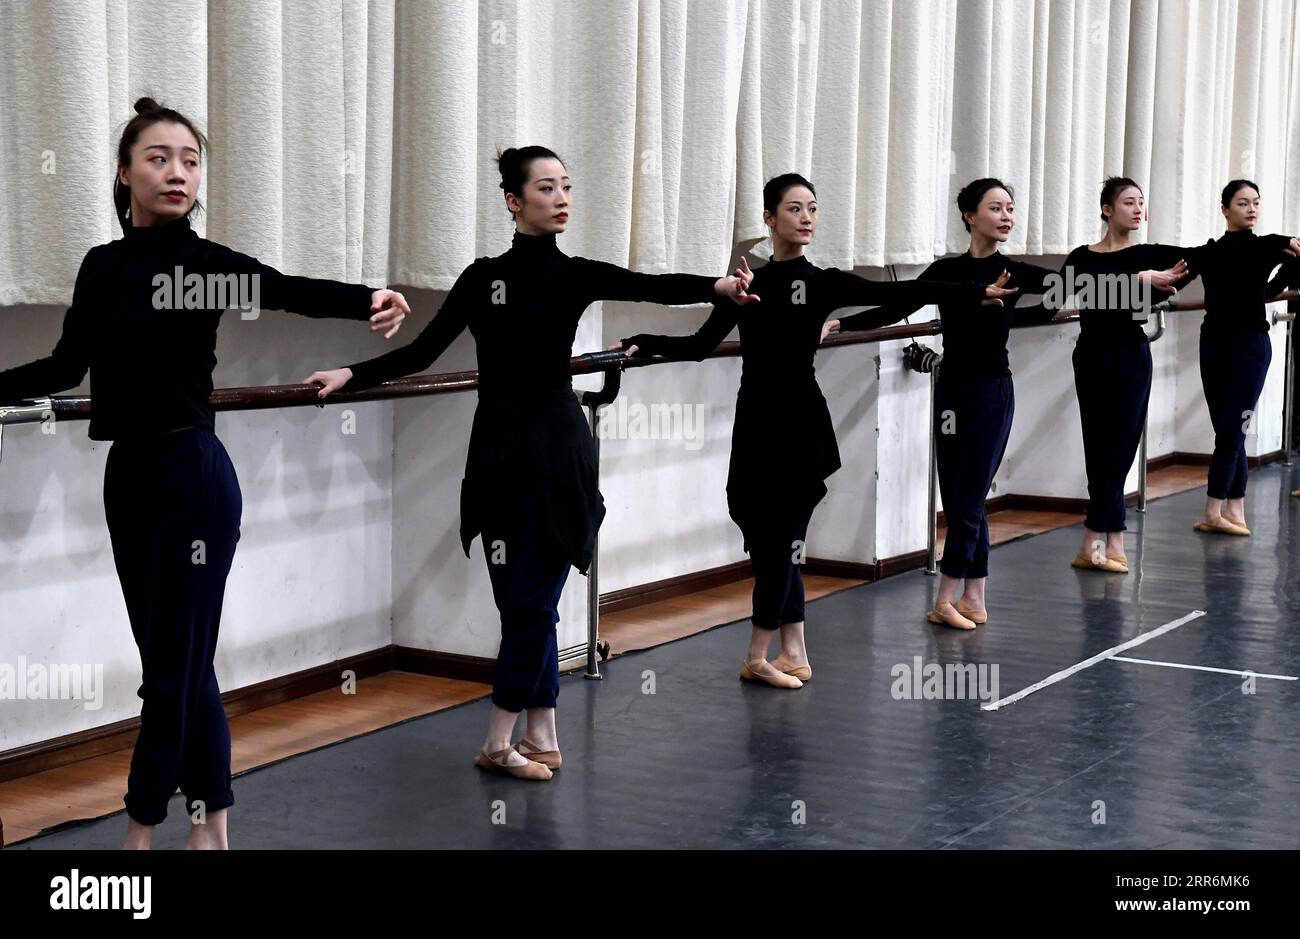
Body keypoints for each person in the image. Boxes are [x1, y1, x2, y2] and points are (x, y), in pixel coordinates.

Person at [0, 98, 409, 848]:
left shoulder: (205, 268)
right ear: (124, 174)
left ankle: (139, 832)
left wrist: (368, 299)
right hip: (129, 478)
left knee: (168, 676)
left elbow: (284, 289)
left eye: (190, 160)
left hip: (193, 477)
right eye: (158, 157)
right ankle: (213, 829)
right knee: (181, 664)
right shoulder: (102, 267)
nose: (177, 171)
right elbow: (64, 365)